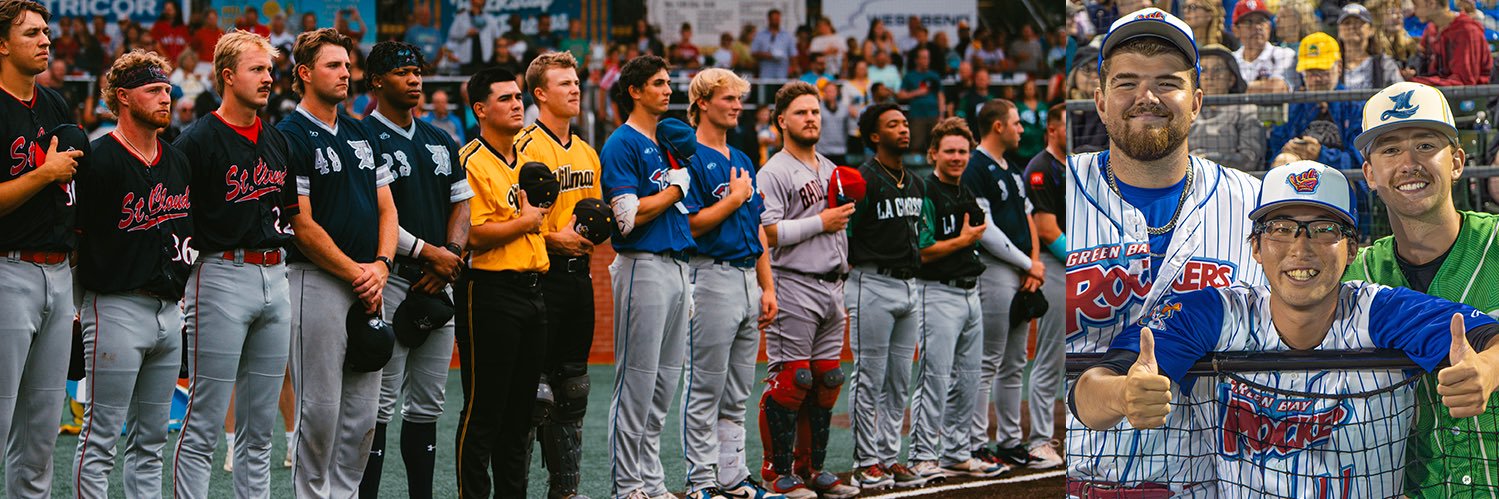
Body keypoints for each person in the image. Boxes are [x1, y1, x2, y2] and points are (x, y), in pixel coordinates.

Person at [1074, 161, 1499, 497]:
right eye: (1280, 229)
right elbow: (1089, 391)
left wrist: (1487, 369)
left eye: (1324, 230)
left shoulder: (1381, 311)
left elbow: (1489, 340)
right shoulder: (1215, 313)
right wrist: (1123, 394)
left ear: (1352, 248)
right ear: (1256, 247)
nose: (1300, 248)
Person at [1064, 8, 1266, 494]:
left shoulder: (1256, 205)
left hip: (1207, 482)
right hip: (1073, 475)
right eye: (1127, 82)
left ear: (1196, 102)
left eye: (1167, 83)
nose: (1147, 97)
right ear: (1100, 101)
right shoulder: (1058, 190)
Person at [1342, 81, 1499, 497]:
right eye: (1391, 150)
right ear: (1370, 174)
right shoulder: (1355, 275)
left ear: (1457, 162)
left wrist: (1492, 365)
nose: (1409, 163)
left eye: (1426, 145)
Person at [171, 30, 295, 499]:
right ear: (227, 75)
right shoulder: (195, 141)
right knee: (204, 421)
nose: (268, 78)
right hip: (220, 273)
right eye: (256, 69)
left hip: (275, 273)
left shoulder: (276, 139)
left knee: (259, 428)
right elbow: (175, 221)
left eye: (269, 69)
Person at [276, 28, 396, 498]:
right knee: (320, 409)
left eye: (347, 65)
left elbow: (388, 209)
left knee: (363, 415)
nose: (346, 73)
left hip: (370, 280)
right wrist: (358, 272)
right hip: (316, 279)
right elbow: (301, 225)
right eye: (333, 65)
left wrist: (381, 265)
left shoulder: (362, 130)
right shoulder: (289, 134)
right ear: (305, 73)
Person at [70, 49, 186, 499]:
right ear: (123, 96)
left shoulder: (177, 161)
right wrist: (75, 307)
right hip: (114, 307)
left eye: (167, 90)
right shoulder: (97, 159)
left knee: (152, 442)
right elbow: (75, 241)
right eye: (153, 90)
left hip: (168, 310)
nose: (165, 98)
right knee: (100, 437)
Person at [356, 40, 470, 499]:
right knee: (378, 404)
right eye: (403, 72)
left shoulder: (441, 138)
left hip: (439, 282)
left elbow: (462, 204)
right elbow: (371, 213)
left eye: (417, 71)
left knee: (428, 404)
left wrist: (451, 255)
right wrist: (430, 254)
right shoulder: (361, 136)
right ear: (377, 81)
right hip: (390, 279)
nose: (415, 79)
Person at [677, 67, 783, 499]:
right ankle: (700, 480)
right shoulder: (687, 156)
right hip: (710, 273)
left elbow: (757, 227)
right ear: (702, 103)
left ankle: (732, 477)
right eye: (729, 98)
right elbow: (691, 225)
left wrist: (768, 287)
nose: (738, 106)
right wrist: (734, 198)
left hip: (746, 278)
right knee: (704, 386)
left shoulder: (741, 157)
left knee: (737, 390)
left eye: (739, 98)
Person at [755, 80, 860, 499]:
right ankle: (776, 472)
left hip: (833, 284)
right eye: (801, 112)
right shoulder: (774, 170)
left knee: (827, 378)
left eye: (815, 111)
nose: (811, 118)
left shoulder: (831, 168)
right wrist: (821, 222)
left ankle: (811, 468)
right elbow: (767, 232)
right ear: (781, 120)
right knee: (791, 378)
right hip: (793, 281)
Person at [601, 54, 696, 499]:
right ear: (635, 91)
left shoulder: (665, 142)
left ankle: (652, 483)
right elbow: (626, 217)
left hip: (677, 266)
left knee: (664, 385)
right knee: (636, 382)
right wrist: (675, 189)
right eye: (658, 83)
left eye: (668, 82)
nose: (668, 89)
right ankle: (628, 486)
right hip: (642, 263)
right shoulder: (621, 142)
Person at [513, 50, 605, 499]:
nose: (575, 89)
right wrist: (554, 240)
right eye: (564, 83)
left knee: (574, 386)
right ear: (540, 93)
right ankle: (515, 490)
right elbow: (511, 221)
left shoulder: (588, 152)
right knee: (534, 395)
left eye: (576, 82)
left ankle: (565, 490)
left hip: (578, 278)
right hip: (539, 278)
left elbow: (594, 217)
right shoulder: (523, 146)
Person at [455, 66, 549, 498]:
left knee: (521, 415)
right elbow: (472, 234)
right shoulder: (470, 160)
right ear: (480, 109)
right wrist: (526, 222)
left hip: (533, 290)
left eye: (518, 97)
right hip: (489, 292)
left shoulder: (528, 161)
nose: (517, 104)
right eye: (506, 98)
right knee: (484, 411)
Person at [0, 4, 82, 492]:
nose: (45, 40)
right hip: (7, 269)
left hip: (58, 273)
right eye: (31, 33)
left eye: (46, 31)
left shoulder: (54, 104)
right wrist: (44, 174)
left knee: (41, 433)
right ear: (2, 44)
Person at [906, 117, 1011, 479]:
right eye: (949, 151)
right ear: (933, 153)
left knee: (967, 378)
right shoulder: (926, 191)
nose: (956, 157)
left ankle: (956, 452)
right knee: (934, 377)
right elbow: (922, 250)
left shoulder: (964, 190)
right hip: (936, 292)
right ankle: (922, 455)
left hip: (969, 292)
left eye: (963, 151)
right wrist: (963, 241)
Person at [845, 100, 929, 489]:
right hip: (872, 282)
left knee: (898, 379)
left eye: (905, 122)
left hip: (909, 285)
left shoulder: (915, 182)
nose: (904, 128)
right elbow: (845, 236)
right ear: (875, 136)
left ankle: (888, 456)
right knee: (869, 376)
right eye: (893, 124)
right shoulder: (863, 180)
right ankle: (866, 461)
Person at [962, 98, 1045, 469]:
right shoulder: (976, 166)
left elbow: (1029, 220)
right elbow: (985, 230)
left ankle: (1010, 441)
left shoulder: (1012, 169)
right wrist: (1029, 263)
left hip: (1021, 271)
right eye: (1015, 122)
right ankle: (976, 443)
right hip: (994, 269)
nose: (1021, 129)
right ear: (998, 126)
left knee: (1014, 361)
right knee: (988, 360)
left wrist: (1033, 264)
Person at [1021, 104, 1067, 469]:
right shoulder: (1041, 167)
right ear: (1052, 129)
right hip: (1057, 265)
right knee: (1051, 356)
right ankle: (1038, 440)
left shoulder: (1075, 166)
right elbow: (1047, 229)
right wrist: (1085, 259)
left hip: (1079, 266)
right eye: (1068, 126)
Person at [1268, 33, 1363, 170]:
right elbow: (1274, 151)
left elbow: (1360, 162)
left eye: (1322, 71)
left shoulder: (1356, 107)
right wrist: (1288, 150)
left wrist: (1320, 154)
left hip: (1341, 178)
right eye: (1310, 72)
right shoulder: (1293, 106)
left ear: (1339, 67)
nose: (1316, 79)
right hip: (1298, 175)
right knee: (1283, 160)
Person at [1188, 44, 1264, 171]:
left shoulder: (1246, 110)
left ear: (1231, 79)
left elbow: (1249, 160)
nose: (1210, 76)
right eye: (1204, 70)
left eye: (1217, 70)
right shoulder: (1189, 109)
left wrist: (1205, 159)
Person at [1406, 0, 1492, 85]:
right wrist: (1412, 72)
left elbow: (1464, 81)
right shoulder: (1431, 28)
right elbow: (1421, 59)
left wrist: (1416, 81)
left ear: (1432, 3)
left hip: (1471, 92)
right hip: (1438, 88)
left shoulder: (1467, 31)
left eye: (1416, 5)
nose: (1414, 11)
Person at [1231, 0, 1296, 92]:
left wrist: (1236, 88)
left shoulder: (1284, 54)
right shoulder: (1231, 60)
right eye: (1249, 22)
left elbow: (1277, 88)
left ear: (1269, 27)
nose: (1257, 27)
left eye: (1261, 21)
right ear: (1235, 30)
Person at [1336, 3, 1403, 90]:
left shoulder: (1384, 64)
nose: (1352, 27)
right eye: (1347, 23)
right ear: (1339, 31)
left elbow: (1400, 92)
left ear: (1371, 29)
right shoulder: (1332, 64)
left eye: (1358, 22)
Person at [896, 48, 941, 152]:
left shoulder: (934, 75)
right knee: (915, 145)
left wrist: (941, 115)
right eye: (923, 58)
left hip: (934, 115)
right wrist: (917, 92)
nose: (926, 61)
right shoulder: (909, 76)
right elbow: (900, 95)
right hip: (917, 115)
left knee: (936, 145)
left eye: (928, 58)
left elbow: (940, 96)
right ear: (917, 60)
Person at [447, 0, 500, 73]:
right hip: (467, 61)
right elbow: (452, 34)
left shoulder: (490, 19)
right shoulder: (461, 18)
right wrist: (466, 33)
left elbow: (497, 37)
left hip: (486, 61)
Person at [752, 9, 796, 79]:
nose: (776, 21)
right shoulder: (760, 35)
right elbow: (753, 53)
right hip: (765, 74)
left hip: (782, 74)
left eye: (777, 19)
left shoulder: (787, 35)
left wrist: (792, 69)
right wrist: (766, 55)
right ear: (769, 19)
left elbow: (793, 55)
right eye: (773, 19)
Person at [817, 82, 849, 166]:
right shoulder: (817, 108)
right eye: (827, 91)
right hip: (822, 150)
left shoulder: (844, 108)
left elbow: (847, 128)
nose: (830, 93)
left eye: (832, 91)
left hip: (840, 149)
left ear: (837, 92)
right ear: (823, 92)